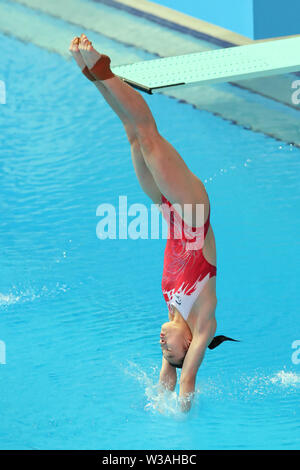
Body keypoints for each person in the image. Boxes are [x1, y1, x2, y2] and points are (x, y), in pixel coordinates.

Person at [70, 35, 237, 411]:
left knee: (132, 137)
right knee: (148, 133)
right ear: (190, 346)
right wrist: (179, 410)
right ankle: (104, 70)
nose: (162, 345)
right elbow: (187, 376)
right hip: (192, 210)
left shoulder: (172, 311)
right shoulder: (203, 319)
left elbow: (169, 366)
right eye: (172, 351)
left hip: (167, 208)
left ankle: (97, 79)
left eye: (165, 351)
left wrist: (162, 386)